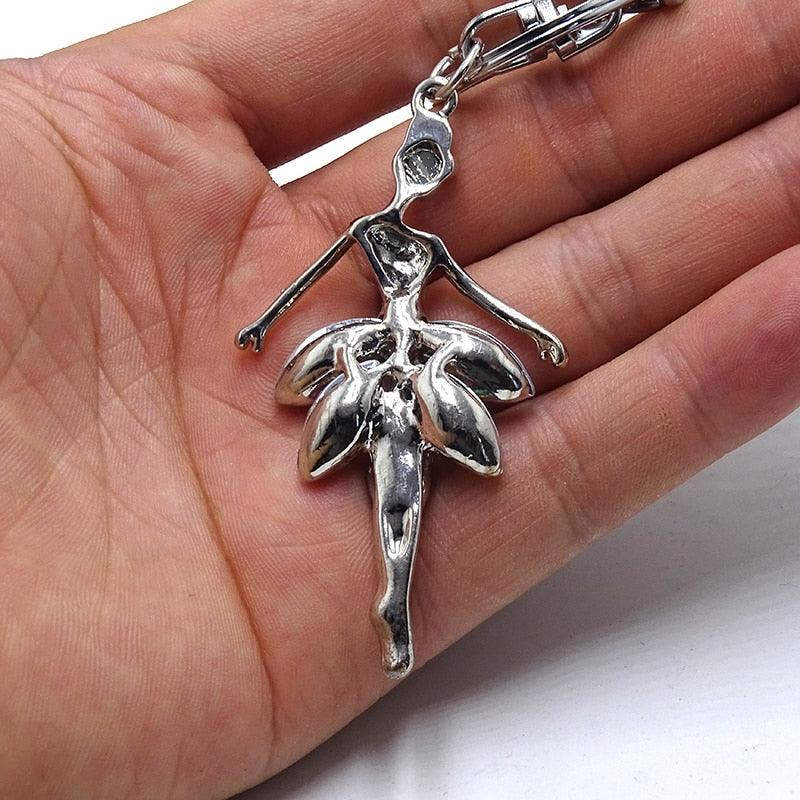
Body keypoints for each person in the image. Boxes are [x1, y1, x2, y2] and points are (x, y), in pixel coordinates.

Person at [0, 0, 798, 797]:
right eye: (415, 161)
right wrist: (263, 324)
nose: (421, 175)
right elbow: (307, 283)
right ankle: (394, 592)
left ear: (440, 173)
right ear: (403, 164)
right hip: (368, 358)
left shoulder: (434, 244)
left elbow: (481, 300)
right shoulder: (367, 233)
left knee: (413, 467)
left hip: (432, 357)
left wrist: (540, 337)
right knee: (392, 464)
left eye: (431, 166)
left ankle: (395, 591)